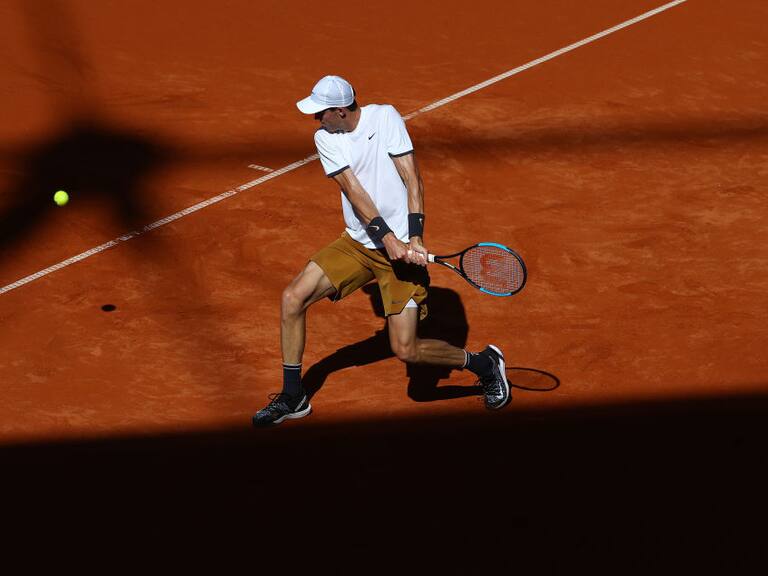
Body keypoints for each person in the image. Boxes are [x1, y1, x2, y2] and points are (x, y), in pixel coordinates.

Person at [252, 75, 510, 426]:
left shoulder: (385, 117)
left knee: (406, 350)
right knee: (292, 298)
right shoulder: (325, 138)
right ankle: (293, 395)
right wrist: (386, 237)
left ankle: (484, 364)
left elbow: (412, 177)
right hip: (359, 244)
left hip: (401, 255)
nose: (316, 119)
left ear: (341, 111)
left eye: (321, 113)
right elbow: (354, 191)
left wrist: (414, 237)